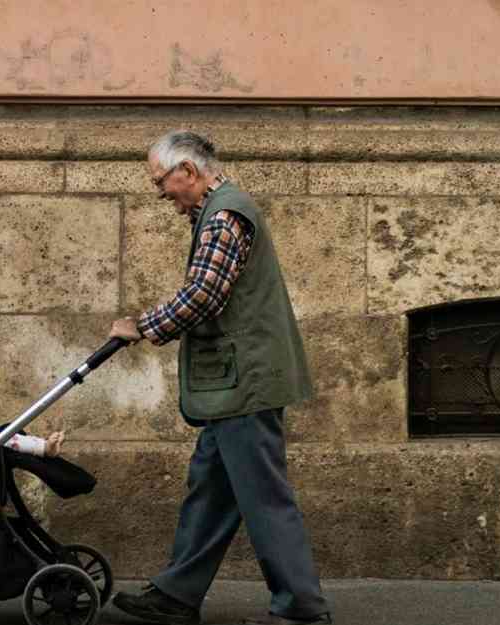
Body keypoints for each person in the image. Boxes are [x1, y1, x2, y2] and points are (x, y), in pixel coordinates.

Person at [109, 131, 331, 625]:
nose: (160, 193)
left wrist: (141, 327)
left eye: (160, 181)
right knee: (210, 489)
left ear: (186, 171)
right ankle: (177, 593)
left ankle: (301, 609)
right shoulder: (217, 211)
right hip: (231, 386)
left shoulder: (226, 215)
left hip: (244, 384)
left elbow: (204, 295)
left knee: (264, 498)